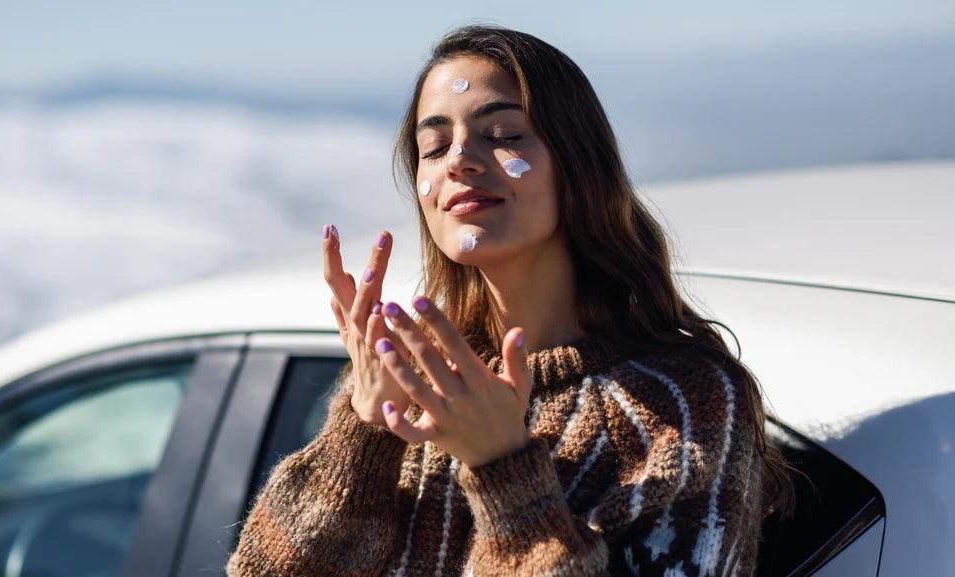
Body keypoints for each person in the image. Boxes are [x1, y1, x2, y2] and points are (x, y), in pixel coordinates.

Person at [226, 24, 791, 577]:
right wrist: (364, 430)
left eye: (502, 135)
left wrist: (504, 471)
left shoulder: (685, 405)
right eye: (434, 145)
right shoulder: (416, 387)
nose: (459, 160)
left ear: (580, 164)